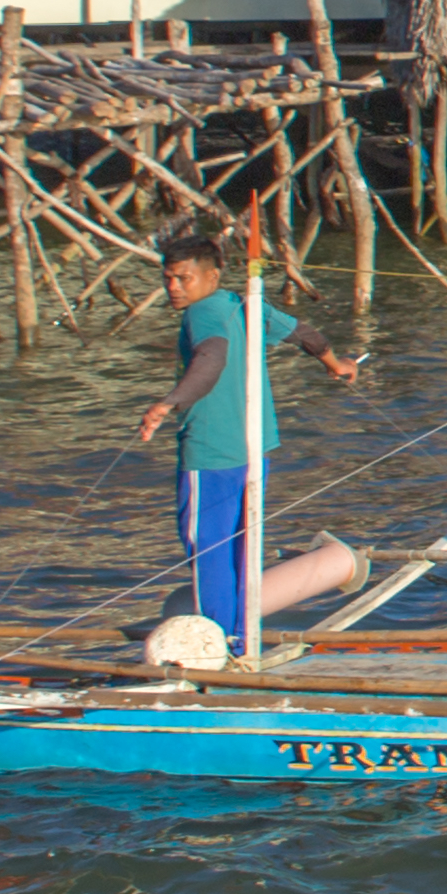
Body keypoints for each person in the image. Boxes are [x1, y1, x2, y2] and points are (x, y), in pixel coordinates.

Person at [136, 231, 367, 636]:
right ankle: (241, 639)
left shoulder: (202, 312)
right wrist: (336, 363)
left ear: (212, 276)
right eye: (167, 278)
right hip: (253, 450)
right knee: (240, 553)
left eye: (183, 278)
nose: (172, 287)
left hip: (211, 453)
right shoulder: (241, 303)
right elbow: (304, 334)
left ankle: (220, 644)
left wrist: (169, 402)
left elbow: (211, 358)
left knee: (208, 553)